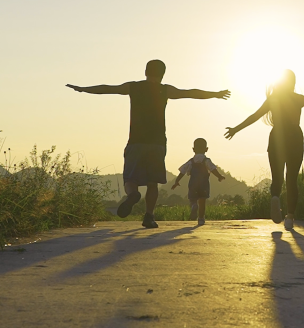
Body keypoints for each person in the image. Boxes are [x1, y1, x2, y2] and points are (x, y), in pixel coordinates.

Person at [66, 60, 230, 228]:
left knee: (130, 178)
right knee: (153, 183)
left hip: (136, 142)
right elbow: (191, 93)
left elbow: (108, 88)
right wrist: (215, 94)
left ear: (145, 71)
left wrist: (84, 89)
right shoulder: (165, 90)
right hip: (157, 144)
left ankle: (132, 195)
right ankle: (149, 216)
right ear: (163, 74)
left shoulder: (133, 87)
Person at [224, 69, 304, 231]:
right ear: (293, 82)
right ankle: (290, 217)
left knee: (277, 177)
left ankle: (274, 197)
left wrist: (236, 129)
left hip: (277, 137)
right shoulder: (298, 98)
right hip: (294, 137)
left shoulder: (273, 99)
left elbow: (255, 116)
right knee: (292, 179)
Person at [171, 138, 225, 226]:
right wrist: (219, 176)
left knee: (193, 198)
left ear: (193, 149)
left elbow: (182, 171)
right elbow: (213, 169)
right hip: (204, 183)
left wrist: (177, 181)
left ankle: (193, 205)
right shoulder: (207, 160)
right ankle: (201, 218)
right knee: (202, 201)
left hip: (193, 183)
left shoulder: (191, 161)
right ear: (206, 149)